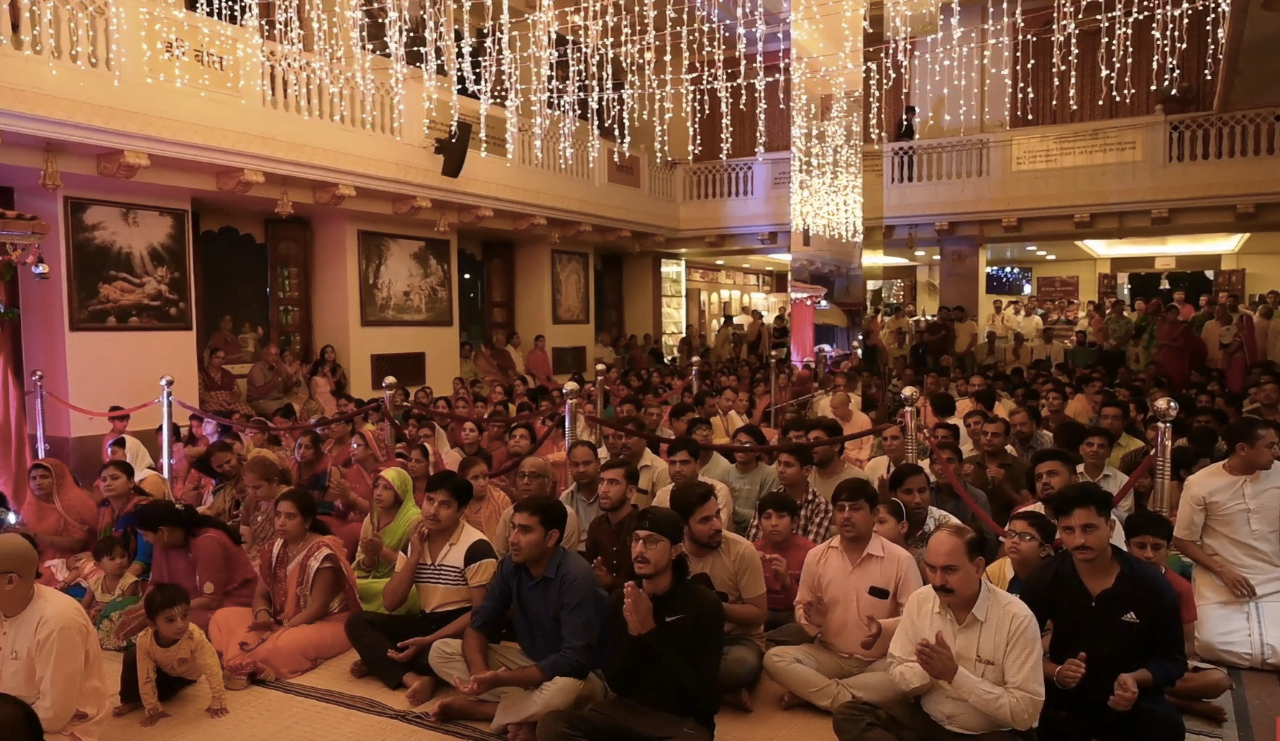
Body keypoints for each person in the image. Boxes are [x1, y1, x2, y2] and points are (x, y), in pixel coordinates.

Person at [832, 523, 1045, 741]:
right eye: (931, 568)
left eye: (949, 570)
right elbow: (897, 669)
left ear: (979, 567)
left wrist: (954, 675)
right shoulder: (921, 601)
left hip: (988, 733)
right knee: (850, 714)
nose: (938, 581)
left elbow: (1025, 713)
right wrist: (927, 672)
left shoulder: (1016, 618)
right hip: (929, 722)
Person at [537, 507, 725, 741]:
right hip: (624, 713)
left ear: (676, 550)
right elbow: (617, 682)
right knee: (553, 724)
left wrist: (650, 632)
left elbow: (704, 699)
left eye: (652, 541)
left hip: (679, 722)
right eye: (635, 539)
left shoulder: (703, 604)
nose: (639, 549)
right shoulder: (621, 599)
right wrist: (635, 637)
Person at [427, 496, 607, 741]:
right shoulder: (511, 566)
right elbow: (479, 623)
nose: (512, 538)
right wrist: (480, 675)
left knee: (563, 692)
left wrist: (501, 679)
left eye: (525, 530)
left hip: (583, 677)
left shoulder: (576, 578)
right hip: (531, 663)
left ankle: (484, 710)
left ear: (551, 538)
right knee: (441, 651)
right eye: (513, 527)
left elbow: (574, 660)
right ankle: (528, 712)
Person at [1021, 483, 1186, 741]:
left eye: (1089, 528)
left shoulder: (1149, 583)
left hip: (1133, 698)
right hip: (1069, 698)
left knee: (1168, 728)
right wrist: (1055, 672)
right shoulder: (1045, 578)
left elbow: (1174, 660)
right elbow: (1018, 650)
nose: (1079, 540)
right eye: (1068, 530)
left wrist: (1134, 679)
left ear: (1110, 528)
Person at [763, 478, 922, 713]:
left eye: (855, 508)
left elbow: (917, 619)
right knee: (773, 659)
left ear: (874, 513)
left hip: (881, 660)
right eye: (840, 508)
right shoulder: (817, 556)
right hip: (828, 655)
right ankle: (848, 698)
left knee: (917, 675)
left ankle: (814, 694)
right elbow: (801, 606)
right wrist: (812, 622)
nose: (846, 515)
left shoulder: (900, 560)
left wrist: (883, 628)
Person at [346, 471, 497, 705]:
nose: (433, 511)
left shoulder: (476, 547)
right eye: (429, 501)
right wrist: (415, 556)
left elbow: (480, 614)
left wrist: (428, 640)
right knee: (357, 623)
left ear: (460, 510)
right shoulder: (416, 541)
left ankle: (386, 664)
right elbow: (390, 601)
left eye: (444, 504)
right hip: (426, 622)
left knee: (436, 652)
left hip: (460, 630)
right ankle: (413, 677)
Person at [210, 489, 361, 686]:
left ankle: (246, 662)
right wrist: (263, 618)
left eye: (290, 517)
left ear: (306, 521)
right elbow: (261, 596)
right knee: (222, 617)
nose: (281, 522)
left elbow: (318, 607)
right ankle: (244, 661)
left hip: (327, 623)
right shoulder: (274, 548)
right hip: (281, 618)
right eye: (278, 515)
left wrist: (282, 628)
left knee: (280, 645)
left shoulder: (322, 552)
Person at [1173, 417, 1280, 669]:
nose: (1276, 453)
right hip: (1219, 580)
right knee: (1209, 643)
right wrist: (1223, 571)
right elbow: (1183, 539)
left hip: (1274, 577)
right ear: (1242, 449)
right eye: (1270, 446)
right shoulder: (1200, 483)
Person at [1124, 510, 1233, 723]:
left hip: (1158, 667)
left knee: (1218, 680)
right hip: (1119, 663)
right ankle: (1182, 703)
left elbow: (1187, 646)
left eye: (1156, 547)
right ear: (1127, 547)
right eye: (1140, 546)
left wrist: (1159, 667)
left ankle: (1156, 695)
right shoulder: (1114, 578)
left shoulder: (1180, 588)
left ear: (1168, 550)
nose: (1148, 555)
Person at [669, 479, 768, 711]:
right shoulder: (672, 551)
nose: (717, 525)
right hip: (687, 639)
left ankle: (682, 688)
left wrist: (710, 605)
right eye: (705, 520)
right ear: (683, 525)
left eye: (717, 515)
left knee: (740, 667)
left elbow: (758, 615)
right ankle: (721, 695)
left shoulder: (742, 551)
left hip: (736, 642)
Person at [0, 532, 109, 741]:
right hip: (13, 711)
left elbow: (54, 714)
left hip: (63, 727)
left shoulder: (58, 622)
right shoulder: (6, 605)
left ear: (10, 581)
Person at [115, 500, 257, 639]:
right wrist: (143, 607)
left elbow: (212, 600)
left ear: (162, 531)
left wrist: (164, 613)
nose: (145, 540)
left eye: (145, 534)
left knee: (174, 626)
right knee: (125, 615)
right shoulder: (162, 543)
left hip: (230, 605)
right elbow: (156, 585)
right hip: (185, 605)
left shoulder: (208, 541)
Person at [111, 584, 229, 726]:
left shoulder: (194, 635)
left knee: (165, 695)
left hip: (183, 676)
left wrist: (218, 700)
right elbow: (145, 675)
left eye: (185, 616)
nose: (180, 625)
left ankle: (144, 699)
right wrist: (152, 708)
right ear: (153, 624)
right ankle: (132, 700)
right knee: (131, 656)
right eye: (170, 620)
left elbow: (211, 666)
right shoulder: (145, 640)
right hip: (162, 667)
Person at [14, 459, 96, 587]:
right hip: (39, 562)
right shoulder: (30, 507)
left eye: (44, 477)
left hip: (73, 563)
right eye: (33, 478)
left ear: (59, 478)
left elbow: (79, 543)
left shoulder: (74, 504)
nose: (38, 482)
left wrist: (35, 535)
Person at [353, 468, 422, 614]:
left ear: (401, 491)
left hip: (399, 581)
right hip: (371, 579)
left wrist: (382, 551)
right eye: (376, 486)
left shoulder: (414, 520)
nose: (378, 493)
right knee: (349, 584)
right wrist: (369, 557)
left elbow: (414, 565)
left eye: (387, 488)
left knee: (411, 593)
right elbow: (363, 564)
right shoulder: (372, 518)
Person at [751, 491, 816, 631]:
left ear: (794, 522)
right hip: (762, 614)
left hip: (793, 615)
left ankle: (764, 641)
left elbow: (812, 606)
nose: (773, 523)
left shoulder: (811, 553)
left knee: (805, 630)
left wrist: (787, 582)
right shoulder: (750, 551)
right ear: (760, 523)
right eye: (767, 517)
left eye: (781, 517)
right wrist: (750, 570)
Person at [745, 443, 833, 544]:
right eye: (779, 464)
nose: (780, 470)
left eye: (788, 465)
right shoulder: (767, 500)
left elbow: (812, 551)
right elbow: (753, 544)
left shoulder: (821, 506)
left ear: (807, 470)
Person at [651, 436, 734, 531]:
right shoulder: (663, 494)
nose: (677, 469)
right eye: (673, 463)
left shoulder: (718, 490)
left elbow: (717, 530)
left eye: (684, 463)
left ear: (697, 464)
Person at [583, 459, 640, 593]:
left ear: (630, 491)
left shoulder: (642, 526)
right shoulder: (597, 526)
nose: (603, 490)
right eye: (601, 481)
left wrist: (611, 582)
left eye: (613, 483)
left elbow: (649, 582)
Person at [723, 425, 781, 533]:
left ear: (758, 451)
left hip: (757, 532)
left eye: (748, 444)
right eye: (738, 443)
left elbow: (765, 514)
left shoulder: (769, 474)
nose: (741, 448)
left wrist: (731, 508)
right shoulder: (724, 471)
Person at [983, 510, 1055, 595]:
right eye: (1011, 534)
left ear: (1044, 550)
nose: (1014, 540)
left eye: (1025, 536)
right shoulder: (993, 572)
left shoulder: (1056, 576)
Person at [559, 441, 602, 552]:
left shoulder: (610, 494)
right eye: (575, 465)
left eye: (587, 463)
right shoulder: (566, 498)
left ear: (598, 463)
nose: (581, 470)